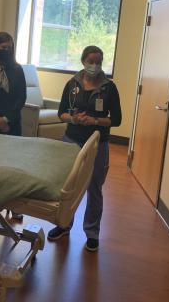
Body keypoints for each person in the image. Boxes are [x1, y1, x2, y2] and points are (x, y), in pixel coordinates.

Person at [47, 45, 121, 252]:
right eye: (91, 61)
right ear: (83, 61)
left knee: (94, 188)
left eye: (98, 62)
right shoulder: (72, 84)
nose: (94, 66)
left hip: (98, 143)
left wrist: (95, 120)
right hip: (72, 140)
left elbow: (116, 119)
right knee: (68, 185)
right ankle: (63, 224)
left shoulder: (109, 88)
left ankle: (92, 232)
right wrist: (74, 118)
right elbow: (61, 113)